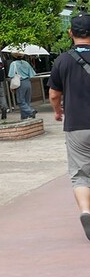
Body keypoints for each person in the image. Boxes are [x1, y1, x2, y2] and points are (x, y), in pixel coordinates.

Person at [49, 13, 90, 241]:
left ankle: (86, 212)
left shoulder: (62, 61)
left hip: (77, 126)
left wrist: (57, 112)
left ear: (70, 33)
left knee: (81, 174)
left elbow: (54, 94)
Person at [8, 51, 37, 119]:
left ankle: (31, 111)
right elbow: (32, 74)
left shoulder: (13, 64)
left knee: (20, 101)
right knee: (27, 101)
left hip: (20, 83)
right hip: (28, 82)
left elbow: (11, 75)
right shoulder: (26, 63)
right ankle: (24, 116)